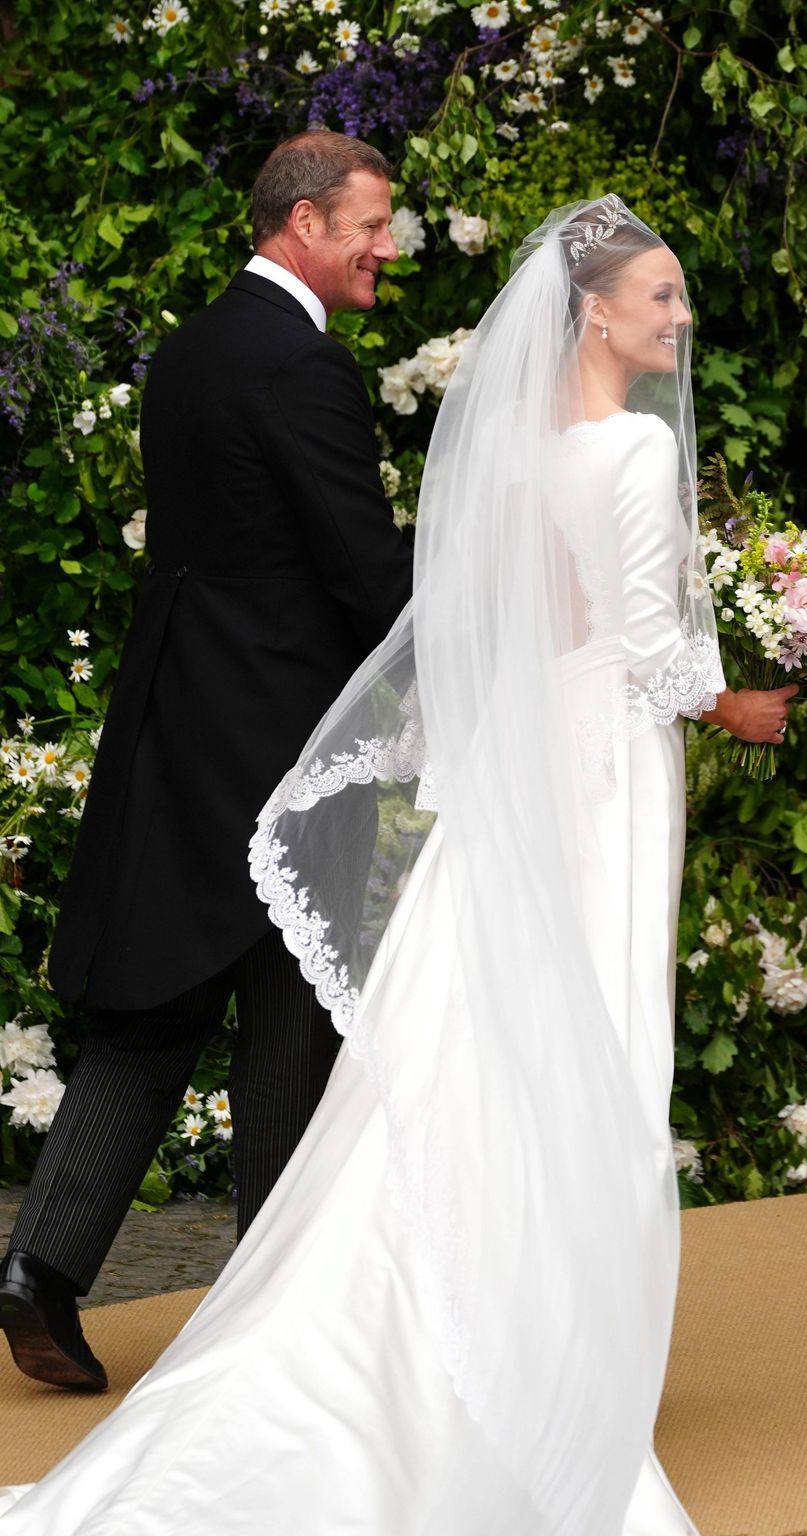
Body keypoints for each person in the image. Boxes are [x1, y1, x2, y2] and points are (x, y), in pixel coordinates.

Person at [0, 196, 795, 1534]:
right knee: (581, 1042)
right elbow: (644, 648)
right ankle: (525, 1353)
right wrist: (739, 699)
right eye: (661, 295)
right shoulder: (631, 455)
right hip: (591, 775)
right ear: (595, 309)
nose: (681, 318)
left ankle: (345, 1303)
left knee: (443, 1047)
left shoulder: (507, 447)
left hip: (505, 776)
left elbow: (504, 615)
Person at [0, 131, 413, 1393]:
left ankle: (39, 1268)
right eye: (369, 224)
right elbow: (359, 572)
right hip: (281, 746)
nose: (385, 247)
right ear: (301, 222)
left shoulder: (187, 352)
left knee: (156, 1010)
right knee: (288, 1021)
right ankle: (271, 1318)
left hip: (175, 728)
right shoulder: (301, 368)